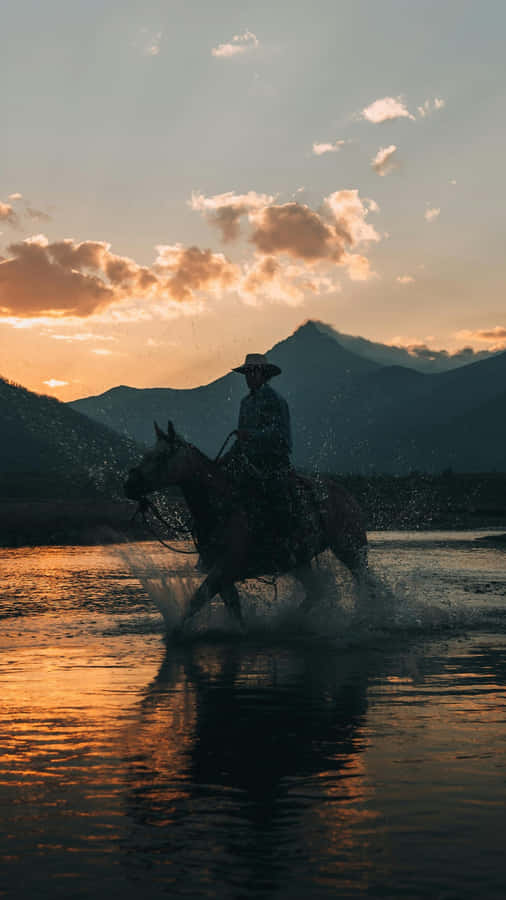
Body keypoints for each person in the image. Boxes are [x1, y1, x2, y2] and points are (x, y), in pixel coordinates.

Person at [221, 353, 297, 564]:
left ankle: (286, 546)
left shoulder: (275, 400)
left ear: (263, 374)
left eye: (253, 372)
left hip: (274, 460)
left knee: (276, 495)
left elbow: (279, 433)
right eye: (247, 373)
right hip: (249, 461)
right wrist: (225, 459)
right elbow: (241, 439)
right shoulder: (245, 403)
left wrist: (251, 435)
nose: (249, 376)